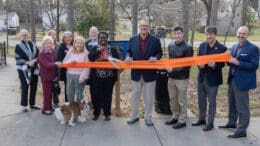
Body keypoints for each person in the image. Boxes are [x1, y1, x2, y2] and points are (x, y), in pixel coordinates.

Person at [219, 26, 259, 138]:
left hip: (242, 81)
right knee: (232, 103)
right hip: (232, 79)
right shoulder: (235, 46)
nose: (241, 35)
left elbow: (254, 65)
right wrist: (227, 59)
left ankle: (242, 130)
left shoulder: (253, 48)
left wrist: (238, 63)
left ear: (247, 35)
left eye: (244, 34)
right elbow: (231, 61)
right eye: (239, 33)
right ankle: (232, 122)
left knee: (242, 107)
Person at [125, 19, 163, 126]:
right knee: (135, 95)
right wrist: (128, 57)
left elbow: (159, 53)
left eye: (146, 26)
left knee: (149, 97)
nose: (144, 27)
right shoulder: (132, 39)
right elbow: (128, 51)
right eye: (142, 26)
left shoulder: (155, 40)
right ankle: (134, 116)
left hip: (150, 74)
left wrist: (155, 57)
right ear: (139, 27)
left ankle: (148, 117)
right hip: (136, 73)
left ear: (149, 28)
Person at [192, 26, 227, 131]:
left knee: (212, 101)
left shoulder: (222, 48)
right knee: (201, 100)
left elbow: (223, 64)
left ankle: (210, 123)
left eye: (211, 34)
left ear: (215, 35)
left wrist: (215, 65)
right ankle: (201, 119)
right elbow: (198, 59)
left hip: (213, 79)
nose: (208, 36)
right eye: (207, 34)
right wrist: (200, 65)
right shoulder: (202, 46)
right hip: (202, 77)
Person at [165, 26, 193, 129]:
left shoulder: (188, 47)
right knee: (173, 98)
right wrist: (168, 67)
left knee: (182, 100)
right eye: (175, 33)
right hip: (171, 77)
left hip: (182, 78)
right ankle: (175, 116)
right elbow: (170, 60)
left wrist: (174, 69)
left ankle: (182, 120)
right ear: (173, 34)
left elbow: (187, 65)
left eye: (179, 33)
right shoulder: (170, 45)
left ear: (182, 34)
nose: (177, 35)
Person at [88, 32, 119, 121]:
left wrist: (109, 60)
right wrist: (99, 51)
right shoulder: (95, 48)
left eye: (104, 38)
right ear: (98, 39)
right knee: (97, 96)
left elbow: (118, 61)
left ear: (107, 39)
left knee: (107, 96)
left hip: (109, 77)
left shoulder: (112, 49)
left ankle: (107, 114)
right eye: (101, 38)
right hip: (97, 77)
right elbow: (90, 57)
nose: (103, 39)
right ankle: (96, 114)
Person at [15, 29, 40, 112]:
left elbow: (38, 54)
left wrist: (34, 61)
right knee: (25, 86)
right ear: (20, 36)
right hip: (23, 70)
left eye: (26, 34)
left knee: (34, 86)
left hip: (33, 68)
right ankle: (24, 106)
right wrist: (27, 62)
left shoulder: (32, 44)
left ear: (29, 35)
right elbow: (18, 58)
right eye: (23, 35)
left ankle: (32, 104)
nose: (25, 36)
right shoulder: (18, 46)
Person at [63, 36, 90, 103]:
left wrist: (82, 77)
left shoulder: (86, 53)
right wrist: (70, 62)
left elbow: (87, 67)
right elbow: (64, 62)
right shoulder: (70, 51)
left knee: (79, 95)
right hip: (70, 75)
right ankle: (71, 108)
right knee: (69, 93)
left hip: (80, 75)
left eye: (81, 43)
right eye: (77, 43)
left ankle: (79, 110)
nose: (79, 45)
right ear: (74, 44)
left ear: (83, 45)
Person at [38, 36, 61, 115]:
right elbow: (46, 65)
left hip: (53, 76)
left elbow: (56, 61)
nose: (48, 45)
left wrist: (57, 65)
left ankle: (50, 107)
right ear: (43, 44)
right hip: (46, 76)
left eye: (50, 43)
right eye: (46, 43)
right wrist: (55, 64)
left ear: (52, 44)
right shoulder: (41, 54)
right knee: (47, 93)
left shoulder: (54, 51)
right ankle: (45, 109)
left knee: (51, 93)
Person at [57, 31, 74, 102]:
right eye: (66, 37)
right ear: (63, 38)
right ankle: (68, 104)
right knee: (68, 88)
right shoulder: (61, 47)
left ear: (72, 38)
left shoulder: (75, 45)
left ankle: (74, 104)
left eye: (69, 37)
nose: (68, 38)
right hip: (66, 72)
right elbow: (60, 59)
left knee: (74, 88)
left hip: (76, 71)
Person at [85, 26, 99, 109]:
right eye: (92, 32)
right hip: (89, 68)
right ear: (89, 33)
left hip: (100, 67)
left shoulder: (101, 42)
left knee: (99, 86)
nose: (93, 33)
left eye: (95, 32)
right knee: (92, 86)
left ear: (97, 33)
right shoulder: (86, 43)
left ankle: (99, 104)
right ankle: (93, 104)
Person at [47, 29, 60, 107]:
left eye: (54, 34)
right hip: (48, 70)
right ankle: (48, 103)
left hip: (57, 69)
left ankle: (56, 103)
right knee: (48, 88)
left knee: (56, 87)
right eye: (51, 35)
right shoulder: (45, 46)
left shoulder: (58, 46)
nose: (53, 36)